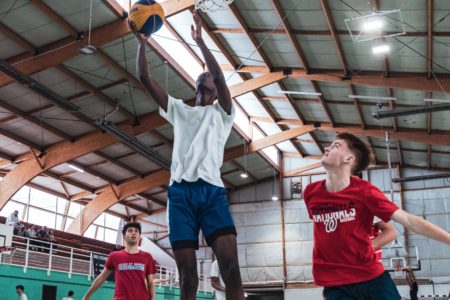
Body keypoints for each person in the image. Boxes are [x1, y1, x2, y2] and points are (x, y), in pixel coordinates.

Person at [131, 9, 244, 300]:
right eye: (200, 74)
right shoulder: (179, 110)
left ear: (217, 92)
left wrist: (200, 40)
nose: (204, 75)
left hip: (212, 193)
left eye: (206, 75)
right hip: (180, 196)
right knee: (188, 279)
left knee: (231, 269)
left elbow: (218, 76)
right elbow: (143, 76)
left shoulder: (223, 113)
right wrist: (143, 42)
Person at [303, 132, 450, 300]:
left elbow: (408, 220)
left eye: (336, 146)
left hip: (371, 277)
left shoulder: (365, 191)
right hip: (335, 282)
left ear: (349, 159)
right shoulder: (310, 193)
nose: (327, 148)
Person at [82, 222, 156, 300]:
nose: (134, 233)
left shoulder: (147, 257)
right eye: (130, 231)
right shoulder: (114, 256)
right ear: (124, 236)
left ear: (139, 237)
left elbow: (150, 283)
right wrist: (86, 297)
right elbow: (101, 278)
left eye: (136, 231)